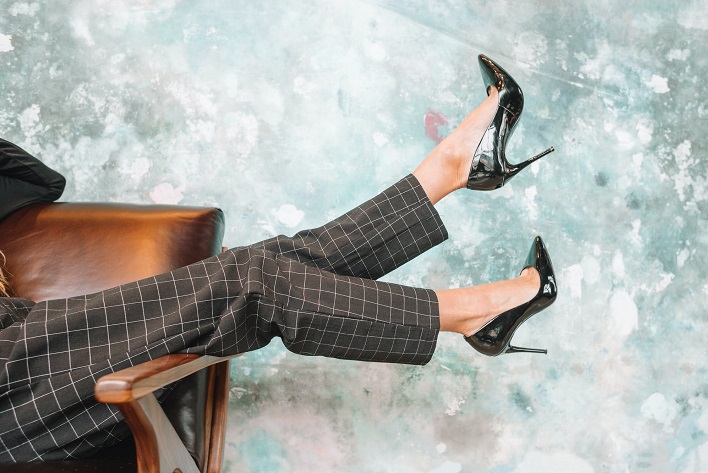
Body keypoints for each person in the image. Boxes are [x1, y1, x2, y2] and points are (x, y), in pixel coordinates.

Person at [0, 54, 558, 462]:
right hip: (10, 378)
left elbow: (38, 181)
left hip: (19, 335)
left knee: (271, 266)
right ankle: (468, 303)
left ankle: (456, 172)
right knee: (259, 279)